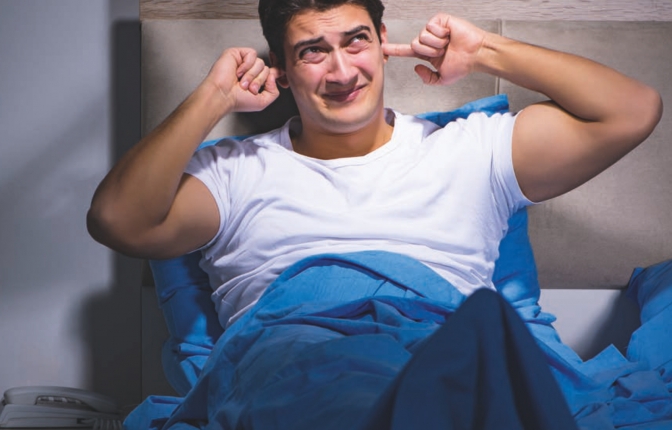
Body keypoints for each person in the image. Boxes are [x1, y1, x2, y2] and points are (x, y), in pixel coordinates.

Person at [87, 0, 662, 331]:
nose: (341, 72)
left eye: (356, 41)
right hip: (294, 374)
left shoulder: (471, 150)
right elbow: (118, 221)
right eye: (313, 51)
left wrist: (484, 51)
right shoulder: (232, 172)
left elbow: (632, 111)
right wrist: (213, 96)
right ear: (281, 67)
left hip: (446, 363)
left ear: (384, 40)